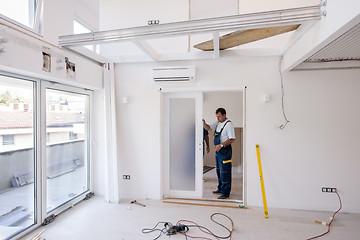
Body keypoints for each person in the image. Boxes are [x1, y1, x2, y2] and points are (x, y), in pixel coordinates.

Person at [203, 108, 235, 199]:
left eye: (219, 116)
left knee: (225, 171)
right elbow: (208, 128)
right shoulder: (218, 123)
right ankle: (220, 189)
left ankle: (225, 193)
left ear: (224, 115)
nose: (217, 118)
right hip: (218, 151)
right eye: (216, 116)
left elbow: (232, 139)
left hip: (225, 151)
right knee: (218, 170)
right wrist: (204, 123)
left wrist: (221, 145)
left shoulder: (229, 125)